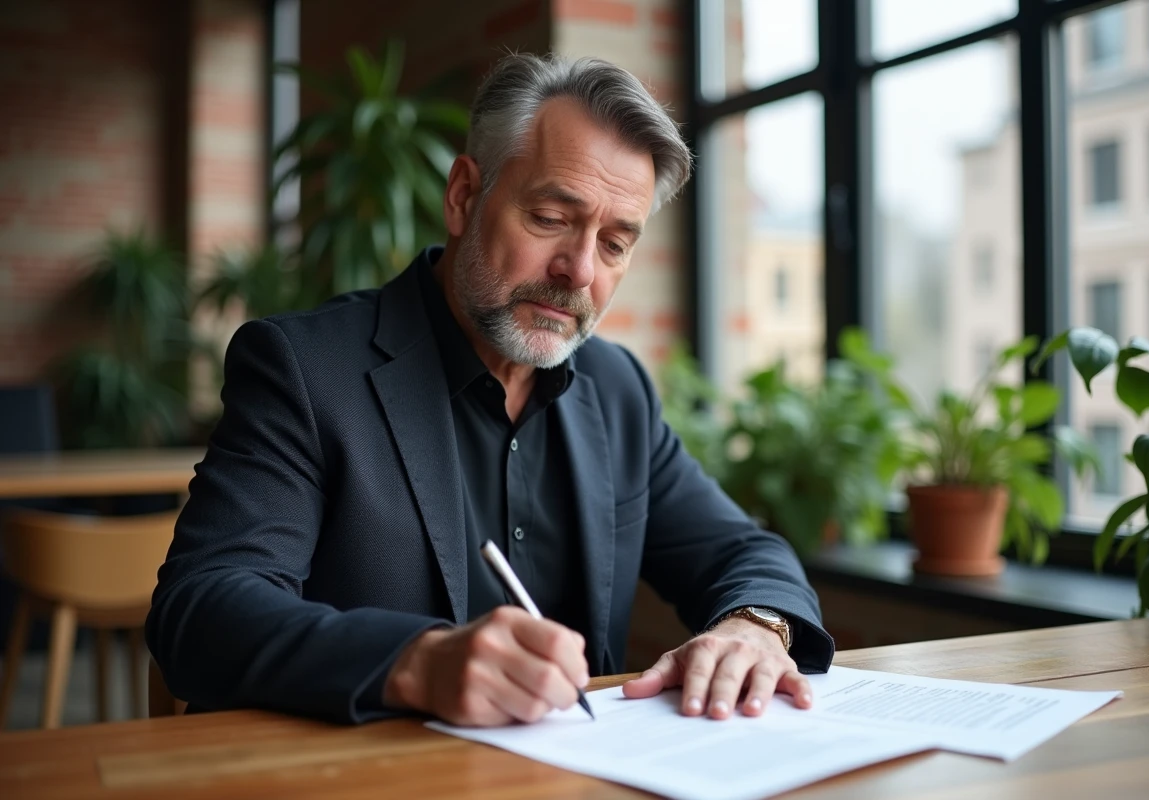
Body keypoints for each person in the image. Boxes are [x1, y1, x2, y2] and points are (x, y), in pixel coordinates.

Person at [147, 53, 834, 728]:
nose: (578, 270)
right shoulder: (303, 367)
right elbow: (202, 609)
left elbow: (745, 552)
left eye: (616, 243)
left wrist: (756, 625)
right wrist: (416, 663)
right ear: (464, 196)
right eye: (551, 219)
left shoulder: (617, 389)